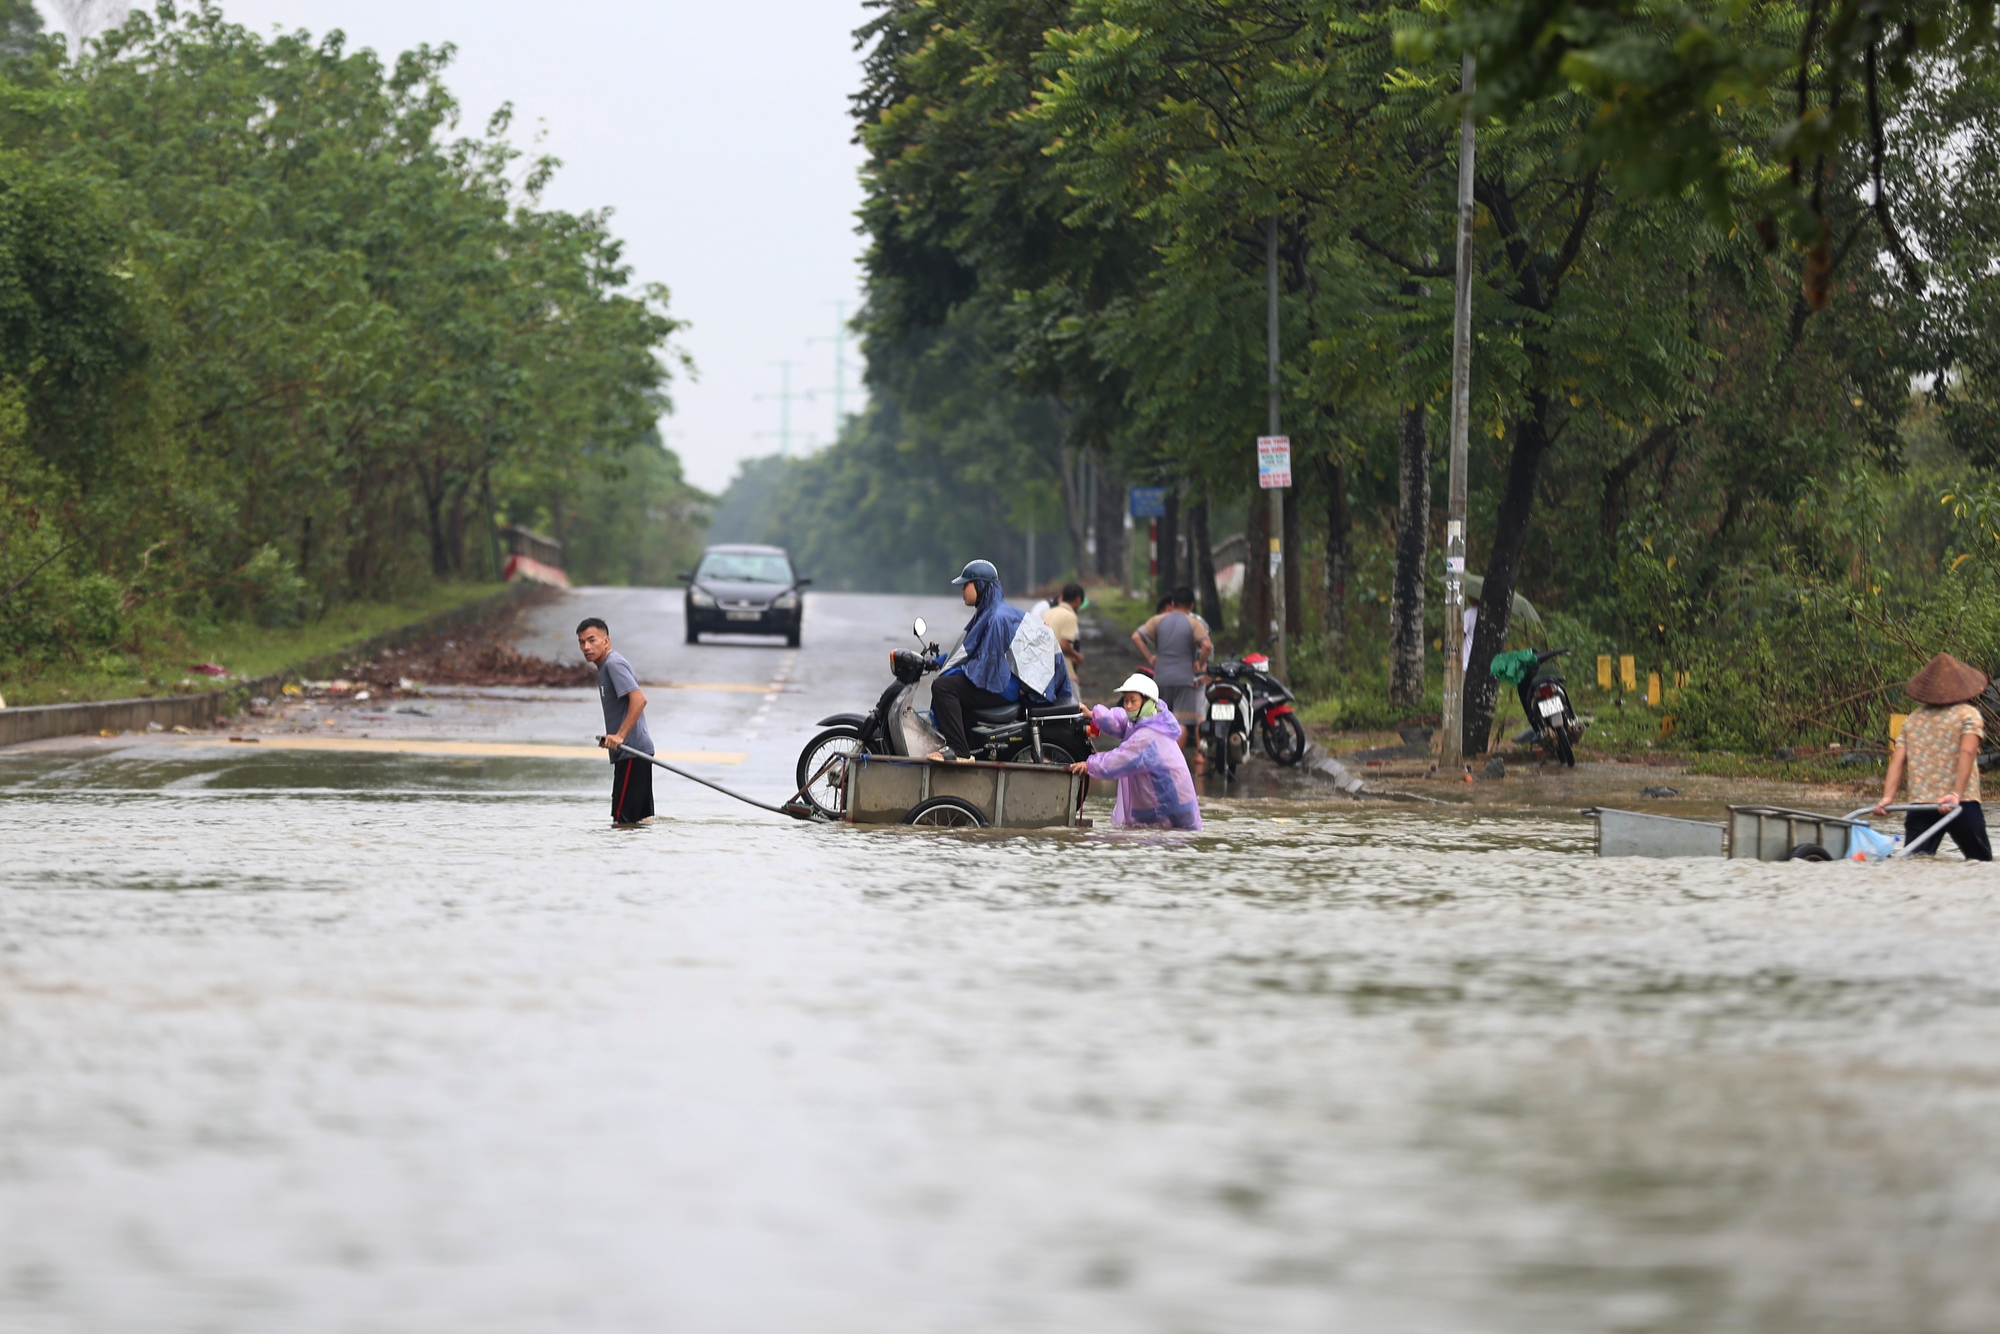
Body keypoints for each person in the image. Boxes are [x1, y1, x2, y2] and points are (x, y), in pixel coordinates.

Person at [929, 559, 1070, 761]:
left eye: (965, 584)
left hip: (1000, 685)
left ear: (980, 585)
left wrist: (948, 672)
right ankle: (969, 744)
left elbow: (985, 664)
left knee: (943, 687)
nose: (962, 590)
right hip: (1001, 681)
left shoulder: (995, 618)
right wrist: (939, 661)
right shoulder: (991, 612)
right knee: (952, 684)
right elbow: (968, 649)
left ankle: (958, 749)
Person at [1872, 652, 1993, 860]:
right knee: (1981, 863)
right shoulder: (1968, 714)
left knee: (1915, 863)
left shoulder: (1913, 719)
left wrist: (1887, 797)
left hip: (1922, 805)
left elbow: (1898, 760)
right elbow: (1968, 750)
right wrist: (1955, 793)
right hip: (1961, 803)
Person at [1067, 673, 1202, 829]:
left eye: (1133, 700)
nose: (1128, 705)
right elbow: (1120, 720)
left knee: (1163, 843)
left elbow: (1119, 759)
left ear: (1147, 702)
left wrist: (1089, 765)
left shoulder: (1148, 735)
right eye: (1126, 700)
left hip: (1171, 806)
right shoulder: (1148, 721)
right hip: (1156, 803)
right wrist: (1093, 715)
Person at [577, 617, 655, 826]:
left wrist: (620, 736)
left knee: (622, 823)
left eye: (591, 640)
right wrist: (611, 737)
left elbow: (639, 700)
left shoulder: (613, 664)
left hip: (632, 752)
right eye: (582, 642)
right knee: (637, 821)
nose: (586, 647)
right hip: (630, 751)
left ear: (606, 641)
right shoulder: (605, 668)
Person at [1131, 586, 1212, 765]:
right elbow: (1206, 645)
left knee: (1159, 719)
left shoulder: (1158, 620)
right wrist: (1201, 663)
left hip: (1161, 677)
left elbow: (1136, 637)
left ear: (1173, 603)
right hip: (1185, 678)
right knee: (1180, 721)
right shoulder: (1193, 623)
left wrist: (1150, 657)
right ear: (1191, 605)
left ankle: (1158, 760)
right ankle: (1173, 761)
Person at [1043, 582, 1087, 689]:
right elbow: (1064, 646)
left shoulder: (1048, 613)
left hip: (1045, 668)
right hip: (1062, 669)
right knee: (1075, 703)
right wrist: (1077, 656)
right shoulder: (1070, 616)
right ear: (1078, 600)